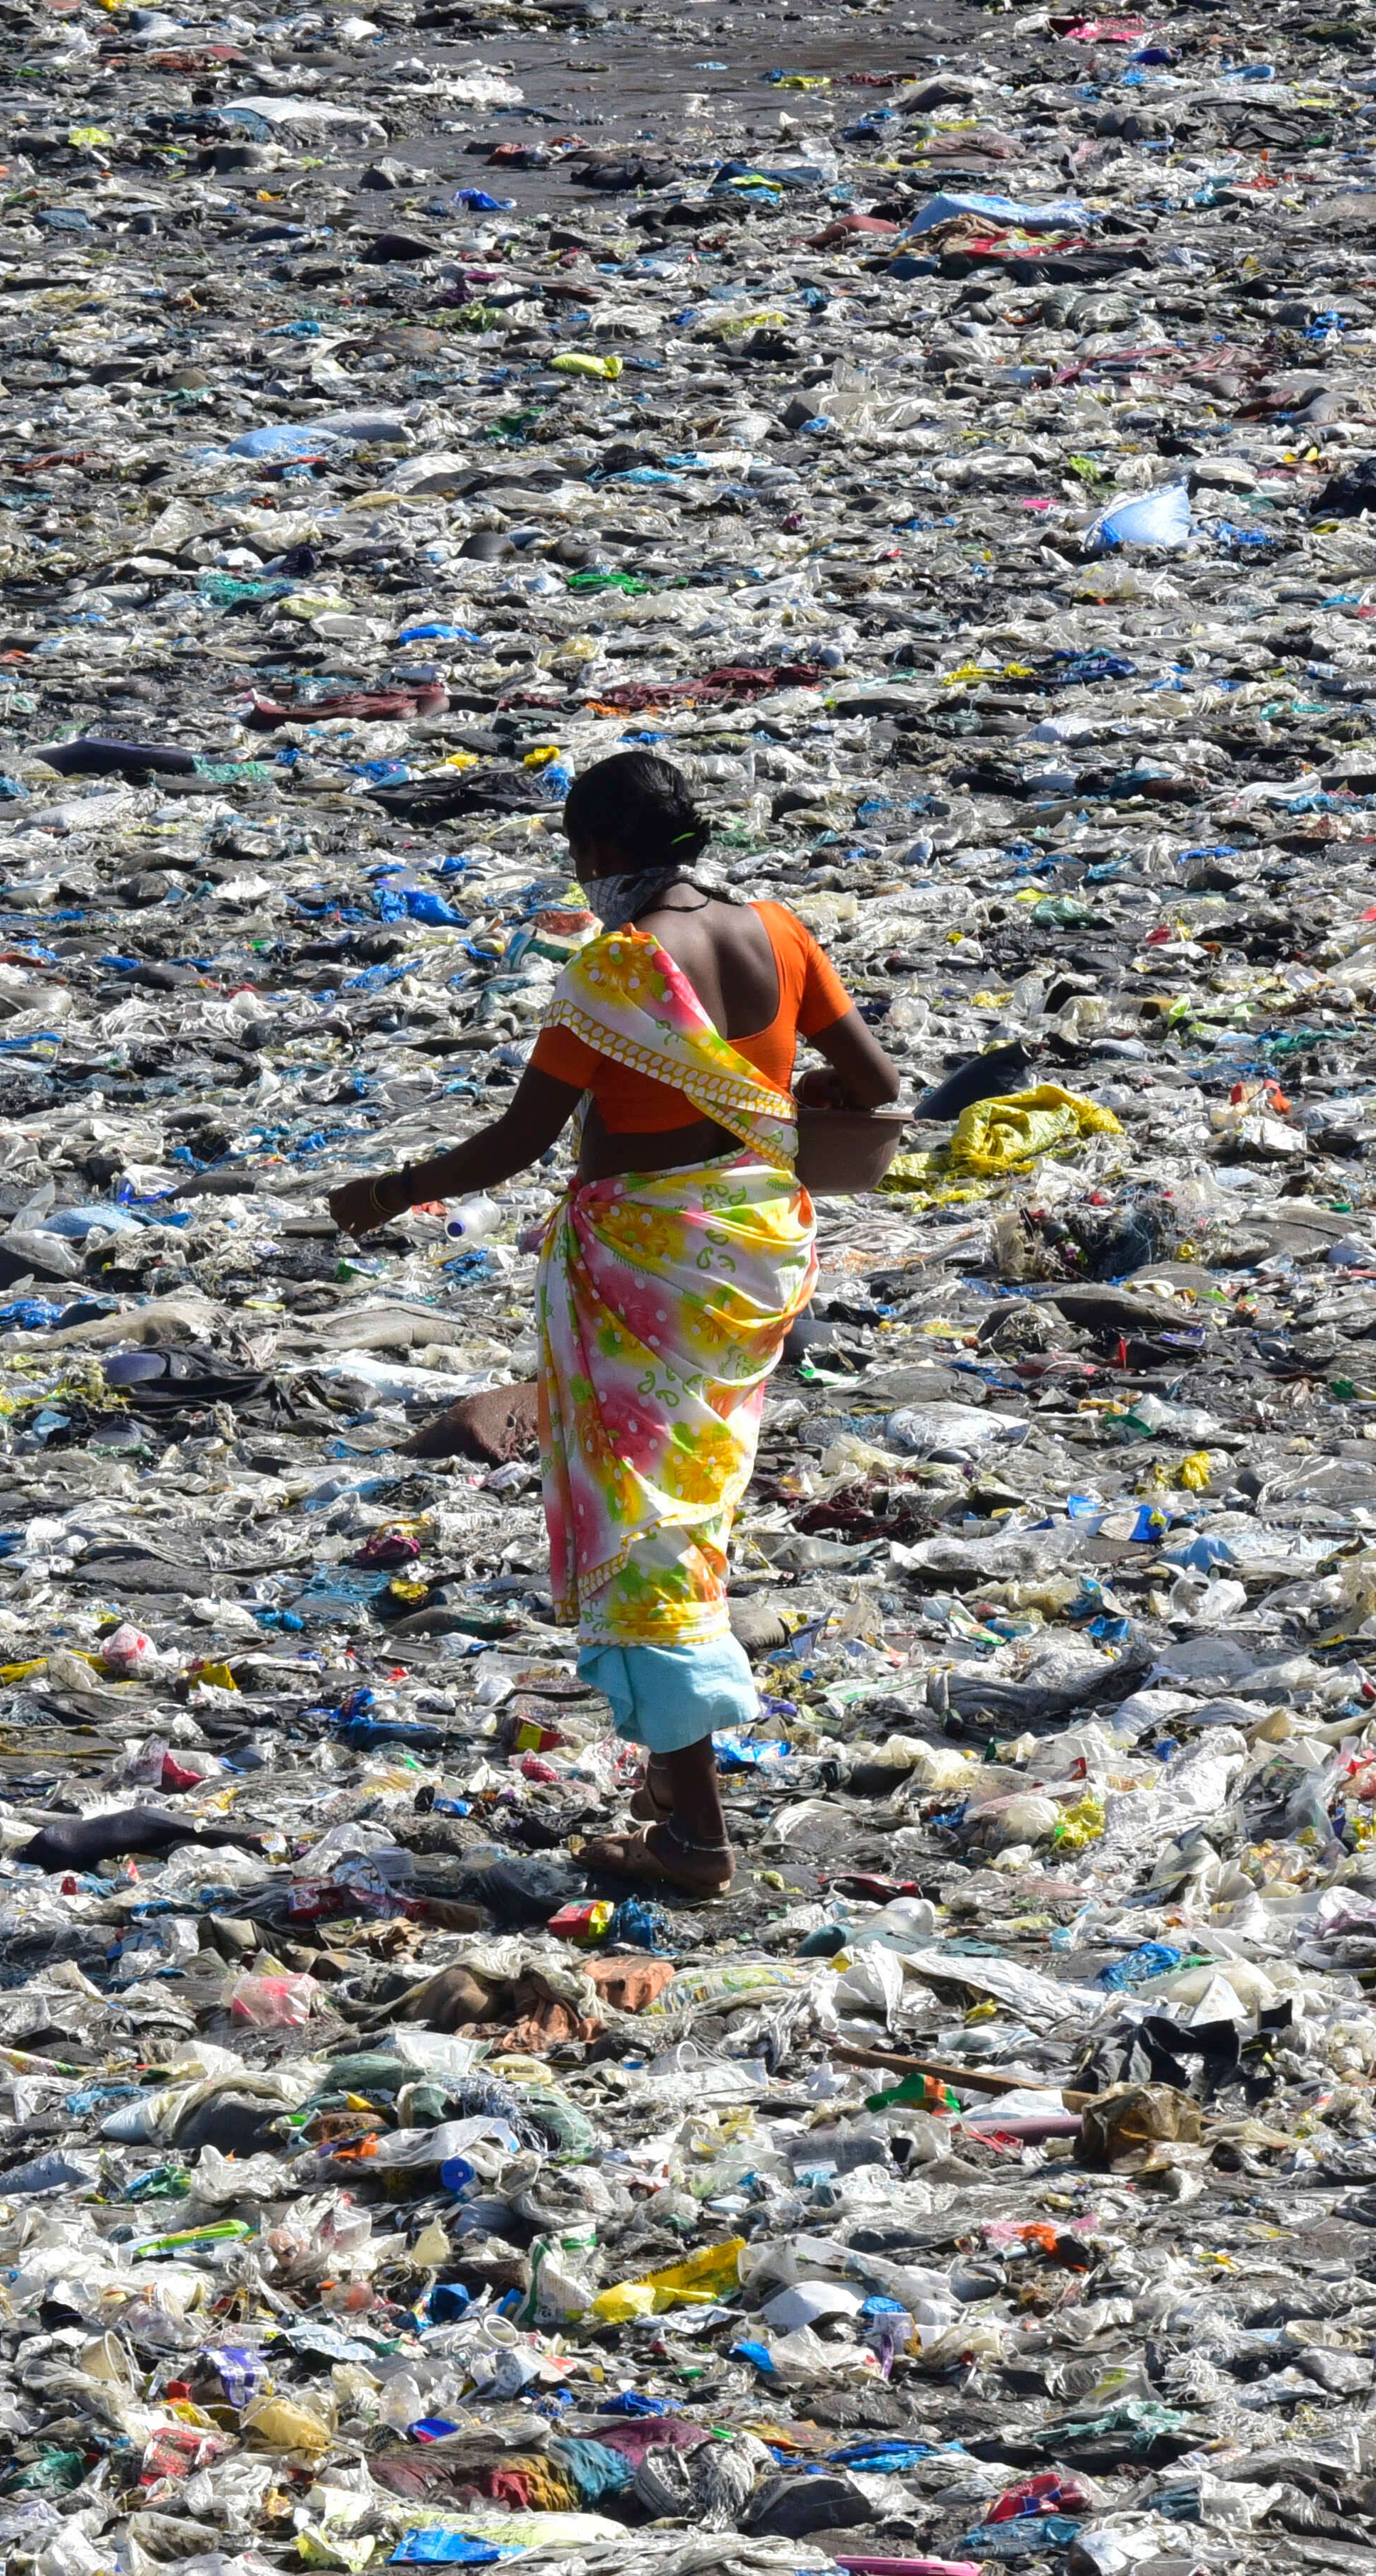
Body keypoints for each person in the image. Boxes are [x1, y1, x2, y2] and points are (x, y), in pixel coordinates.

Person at [326, 752, 903, 1896]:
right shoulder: (779, 933)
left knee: (648, 1526)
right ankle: (667, 1786)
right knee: (698, 1496)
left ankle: (697, 1835)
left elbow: (515, 1144)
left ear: (597, 855)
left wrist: (387, 1191)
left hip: (642, 1273)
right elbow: (878, 1083)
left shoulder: (614, 970)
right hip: (747, 1262)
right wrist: (768, 1098)